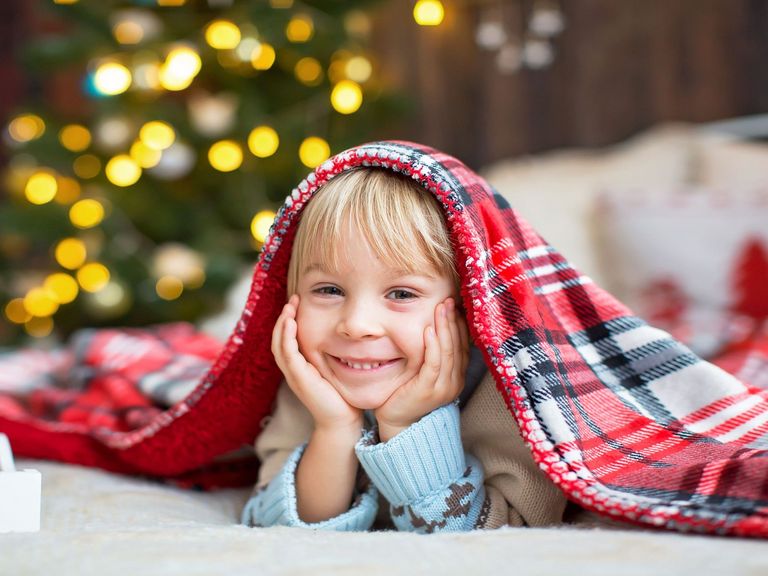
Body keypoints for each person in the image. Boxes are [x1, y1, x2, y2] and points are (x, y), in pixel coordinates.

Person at [241, 167, 567, 532]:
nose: (357, 324)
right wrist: (334, 428)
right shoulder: (308, 381)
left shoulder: (514, 397)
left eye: (401, 294)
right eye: (329, 290)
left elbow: (498, 540)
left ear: (468, 307)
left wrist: (402, 424)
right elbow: (273, 525)